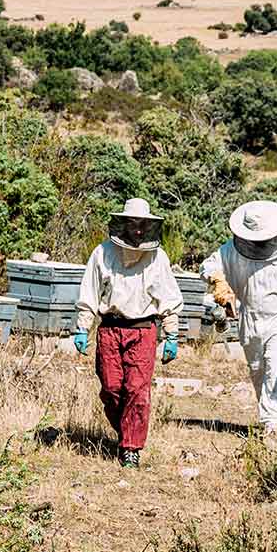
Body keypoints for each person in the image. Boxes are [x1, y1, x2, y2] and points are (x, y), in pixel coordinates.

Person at [74, 198, 183, 469]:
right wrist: (82, 327)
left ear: (149, 227)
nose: (137, 229)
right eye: (132, 223)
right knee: (111, 389)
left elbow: (168, 297)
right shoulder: (102, 253)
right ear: (122, 223)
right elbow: (89, 293)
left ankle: (131, 448)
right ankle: (125, 432)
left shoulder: (158, 257)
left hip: (144, 330)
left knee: (137, 389)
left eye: (142, 225)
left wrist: (171, 334)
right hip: (110, 328)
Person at [201, 200, 277, 436]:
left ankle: (272, 425)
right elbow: (209, 265)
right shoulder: (231, 250)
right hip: (250, 316)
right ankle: (272, 418)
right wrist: (216, 280)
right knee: (257, 369)